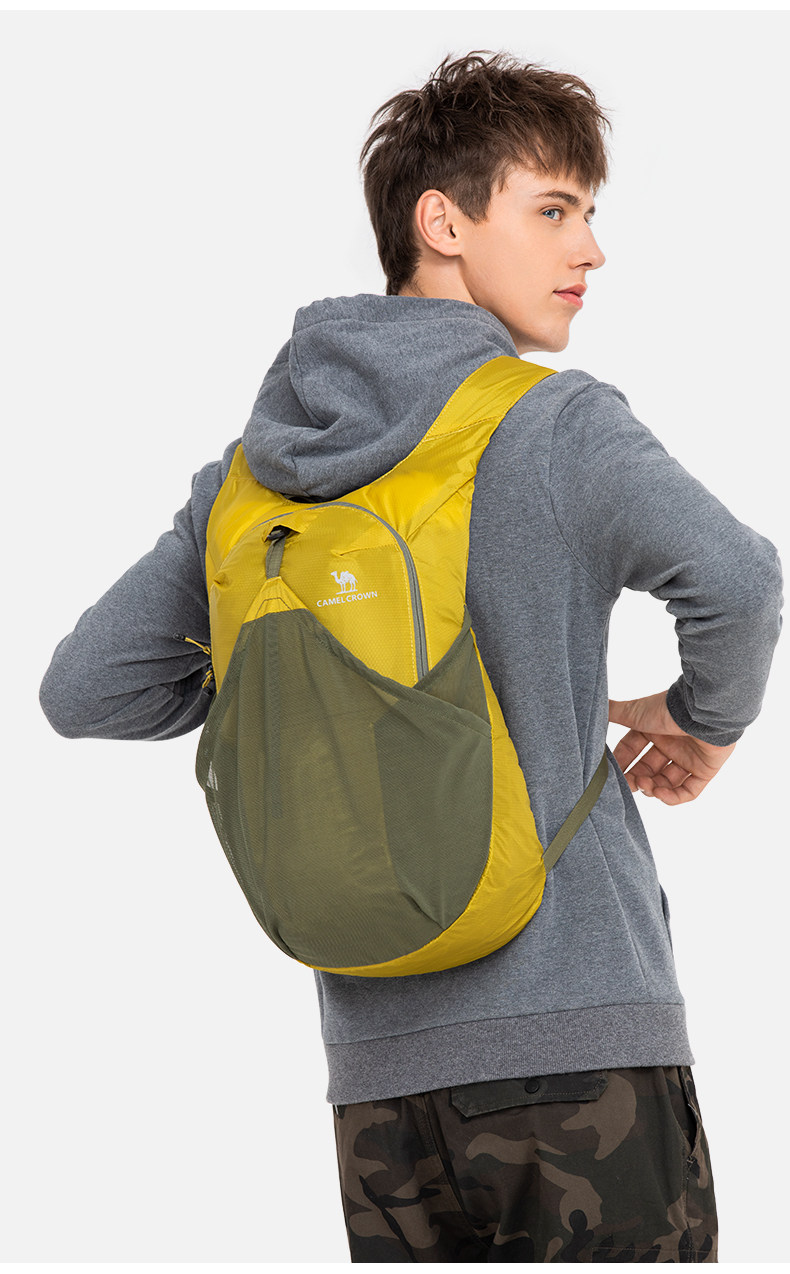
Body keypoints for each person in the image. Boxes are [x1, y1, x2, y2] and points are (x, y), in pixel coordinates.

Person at [39, 49, 782, 1263]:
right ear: (441, 223)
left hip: (381, 1093)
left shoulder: (253, 480)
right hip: (582, 1047)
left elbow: (87, 690)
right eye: (554, 210)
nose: (590, 250)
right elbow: (740, 581)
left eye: (588, 214)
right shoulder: (554, 424)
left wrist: (294, 660)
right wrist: (703, 719)